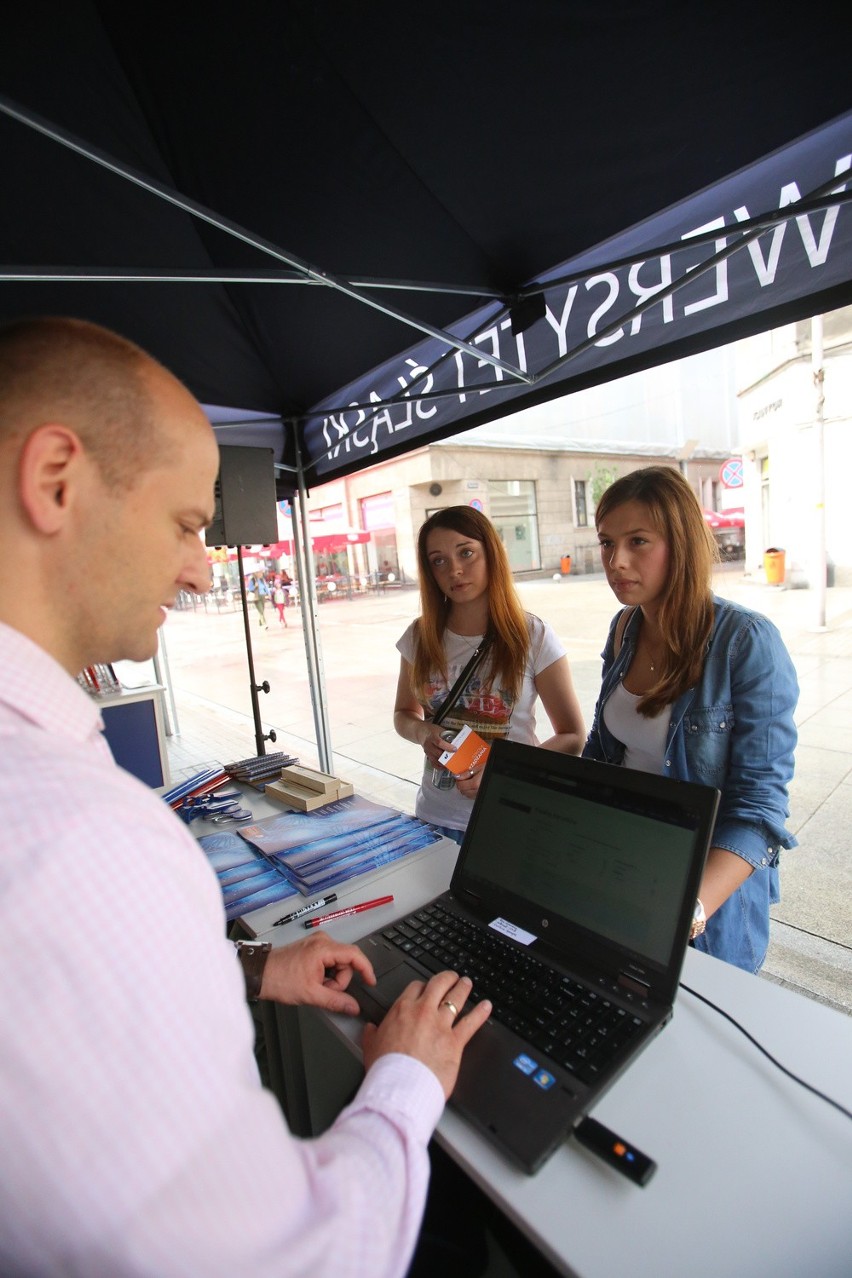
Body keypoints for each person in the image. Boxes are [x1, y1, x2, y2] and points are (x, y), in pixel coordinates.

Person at [0, 317, 492, 1277]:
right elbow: (295, 1260)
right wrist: (405, 1078)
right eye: (187, 523)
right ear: (56, 479)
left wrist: (248, 970)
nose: (198, 568)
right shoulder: (85, 841)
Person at [583, 466, 799, 973]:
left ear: (680, 544)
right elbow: (601, 752)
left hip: (706, 894)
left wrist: (689, 910)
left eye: (638, 541)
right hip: (623, 868)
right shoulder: (624, 628)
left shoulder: (744, 641)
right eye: (607, 543)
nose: (617, 561)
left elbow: (760, 807)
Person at [394, 506, 585, 843]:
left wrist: (503, 764)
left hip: (509, 816)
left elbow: (572, 736)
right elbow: (403, 714)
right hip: (433, 817)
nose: (454, 570)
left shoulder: (533, 635)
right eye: (438, 560)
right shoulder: (419, 636)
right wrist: (424, 731)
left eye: (466, 552)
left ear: (492, 553)